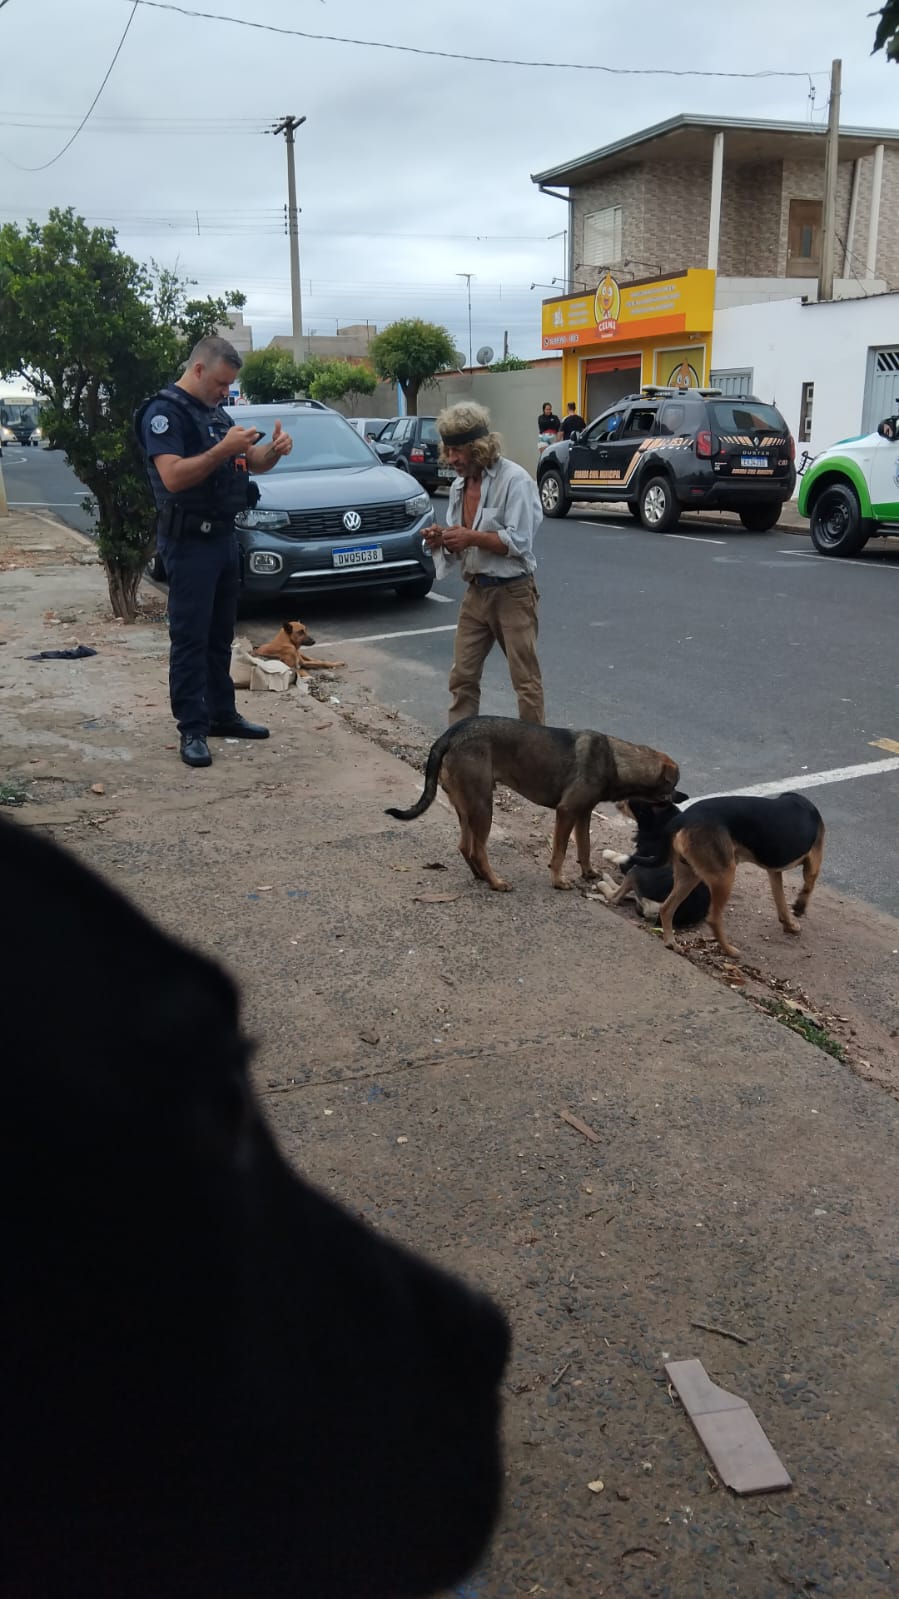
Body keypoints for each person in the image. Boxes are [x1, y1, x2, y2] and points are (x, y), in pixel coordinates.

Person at [138, 335, 293, 769]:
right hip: (188, 542)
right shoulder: (164, 414)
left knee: (220, 635)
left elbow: (253, 462)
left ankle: (222, 713)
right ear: (200, 369)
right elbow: (173, 477)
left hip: (224, 539)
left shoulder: (216, 414)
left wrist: (274, 453)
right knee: (189, 638)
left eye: (230, 385)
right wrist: (222, 447)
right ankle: (192, 727)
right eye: (222, 383)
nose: (226, 391)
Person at [423, 401, 544, 724]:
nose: (452, 460)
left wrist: (470, 537)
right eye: (447, 451)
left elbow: (519, 543)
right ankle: (459, 758)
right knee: (462, 678)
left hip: (513, 593)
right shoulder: (460, 487)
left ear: (478, 448)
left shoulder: (515, 481)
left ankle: (536, 765)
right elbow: (461, 545)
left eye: (458, 451)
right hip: (476, 593)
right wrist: (443, 539)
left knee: (526, 682)